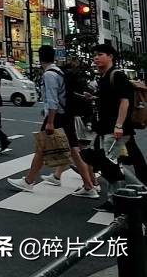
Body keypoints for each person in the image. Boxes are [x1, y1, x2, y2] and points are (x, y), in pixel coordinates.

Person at [7, 45, 98, 198]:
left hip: (57, 117)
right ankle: (89, 186)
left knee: (42, 148)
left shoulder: (49, 74)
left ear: (40, 58)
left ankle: (29, 181)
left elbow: (52, 100)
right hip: (66, 116)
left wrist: (50, 121)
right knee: (74, 151)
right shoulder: (59, 71)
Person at [85, 44, 142, 212]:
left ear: (110, 56)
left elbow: (125, 101)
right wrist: (94, 98)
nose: (96, 58)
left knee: (115, 164)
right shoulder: (105, 77)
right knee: (116, 164)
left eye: (100, 54)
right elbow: (111, 100)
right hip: (107, 129)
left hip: (115, 130)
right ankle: (118, 198)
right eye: (94, 55)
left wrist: (118, 125)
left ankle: (120, 199)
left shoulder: (116, 75)